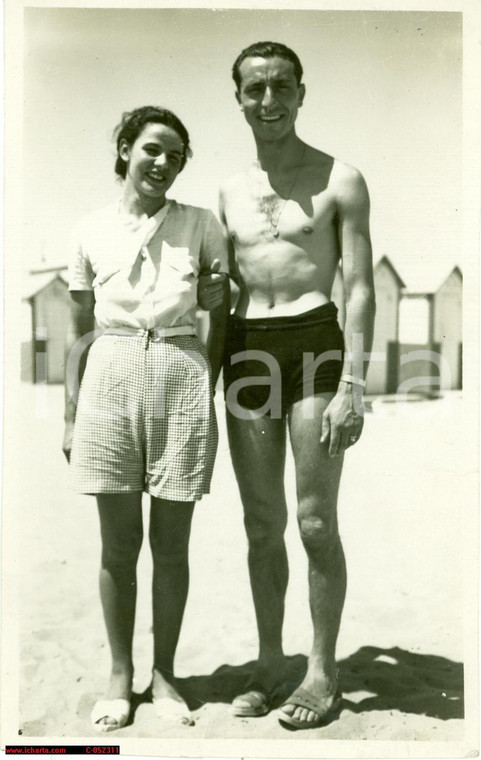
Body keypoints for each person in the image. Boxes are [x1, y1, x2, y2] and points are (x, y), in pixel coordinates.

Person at [201, 41, 375, 730]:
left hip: (315, 345)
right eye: (254, 89)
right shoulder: (225, 191)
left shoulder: (341, 178)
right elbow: (219, 293)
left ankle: (322, 671)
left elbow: (359, 284)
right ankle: (272, 661)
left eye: (280, 87)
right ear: (238, 98)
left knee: (312, 520)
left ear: (301, 93)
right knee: (260, 524)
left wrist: (353, 382)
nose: (267, 101)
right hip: (247, 351)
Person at [63, 106, 229, 732]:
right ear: (126, 147)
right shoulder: (88, 228)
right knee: (117, 545)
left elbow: (218, 314)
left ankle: (164, 673)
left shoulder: (202, 225)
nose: (164, 163)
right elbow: (79, 331)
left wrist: (204, 388)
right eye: (153, 149)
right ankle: (118, 677)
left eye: (177, 154)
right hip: (108, 372)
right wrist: (71, 414)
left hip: (182, 371)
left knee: (172, 546)